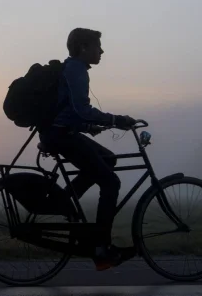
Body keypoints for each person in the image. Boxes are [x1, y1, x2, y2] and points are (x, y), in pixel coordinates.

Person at [39, 28, 138, 271]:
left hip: (62, 132)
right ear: (83, 47)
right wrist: (116, 120)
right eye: (97, 46)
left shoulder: (74, 68)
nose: (102, 51)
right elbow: (81, 109)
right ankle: (101, 248)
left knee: (108, 159)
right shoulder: (76, 70)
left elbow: (73, 111)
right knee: (111, 183)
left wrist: (89, 126)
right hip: (61, 135)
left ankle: (64, 201)